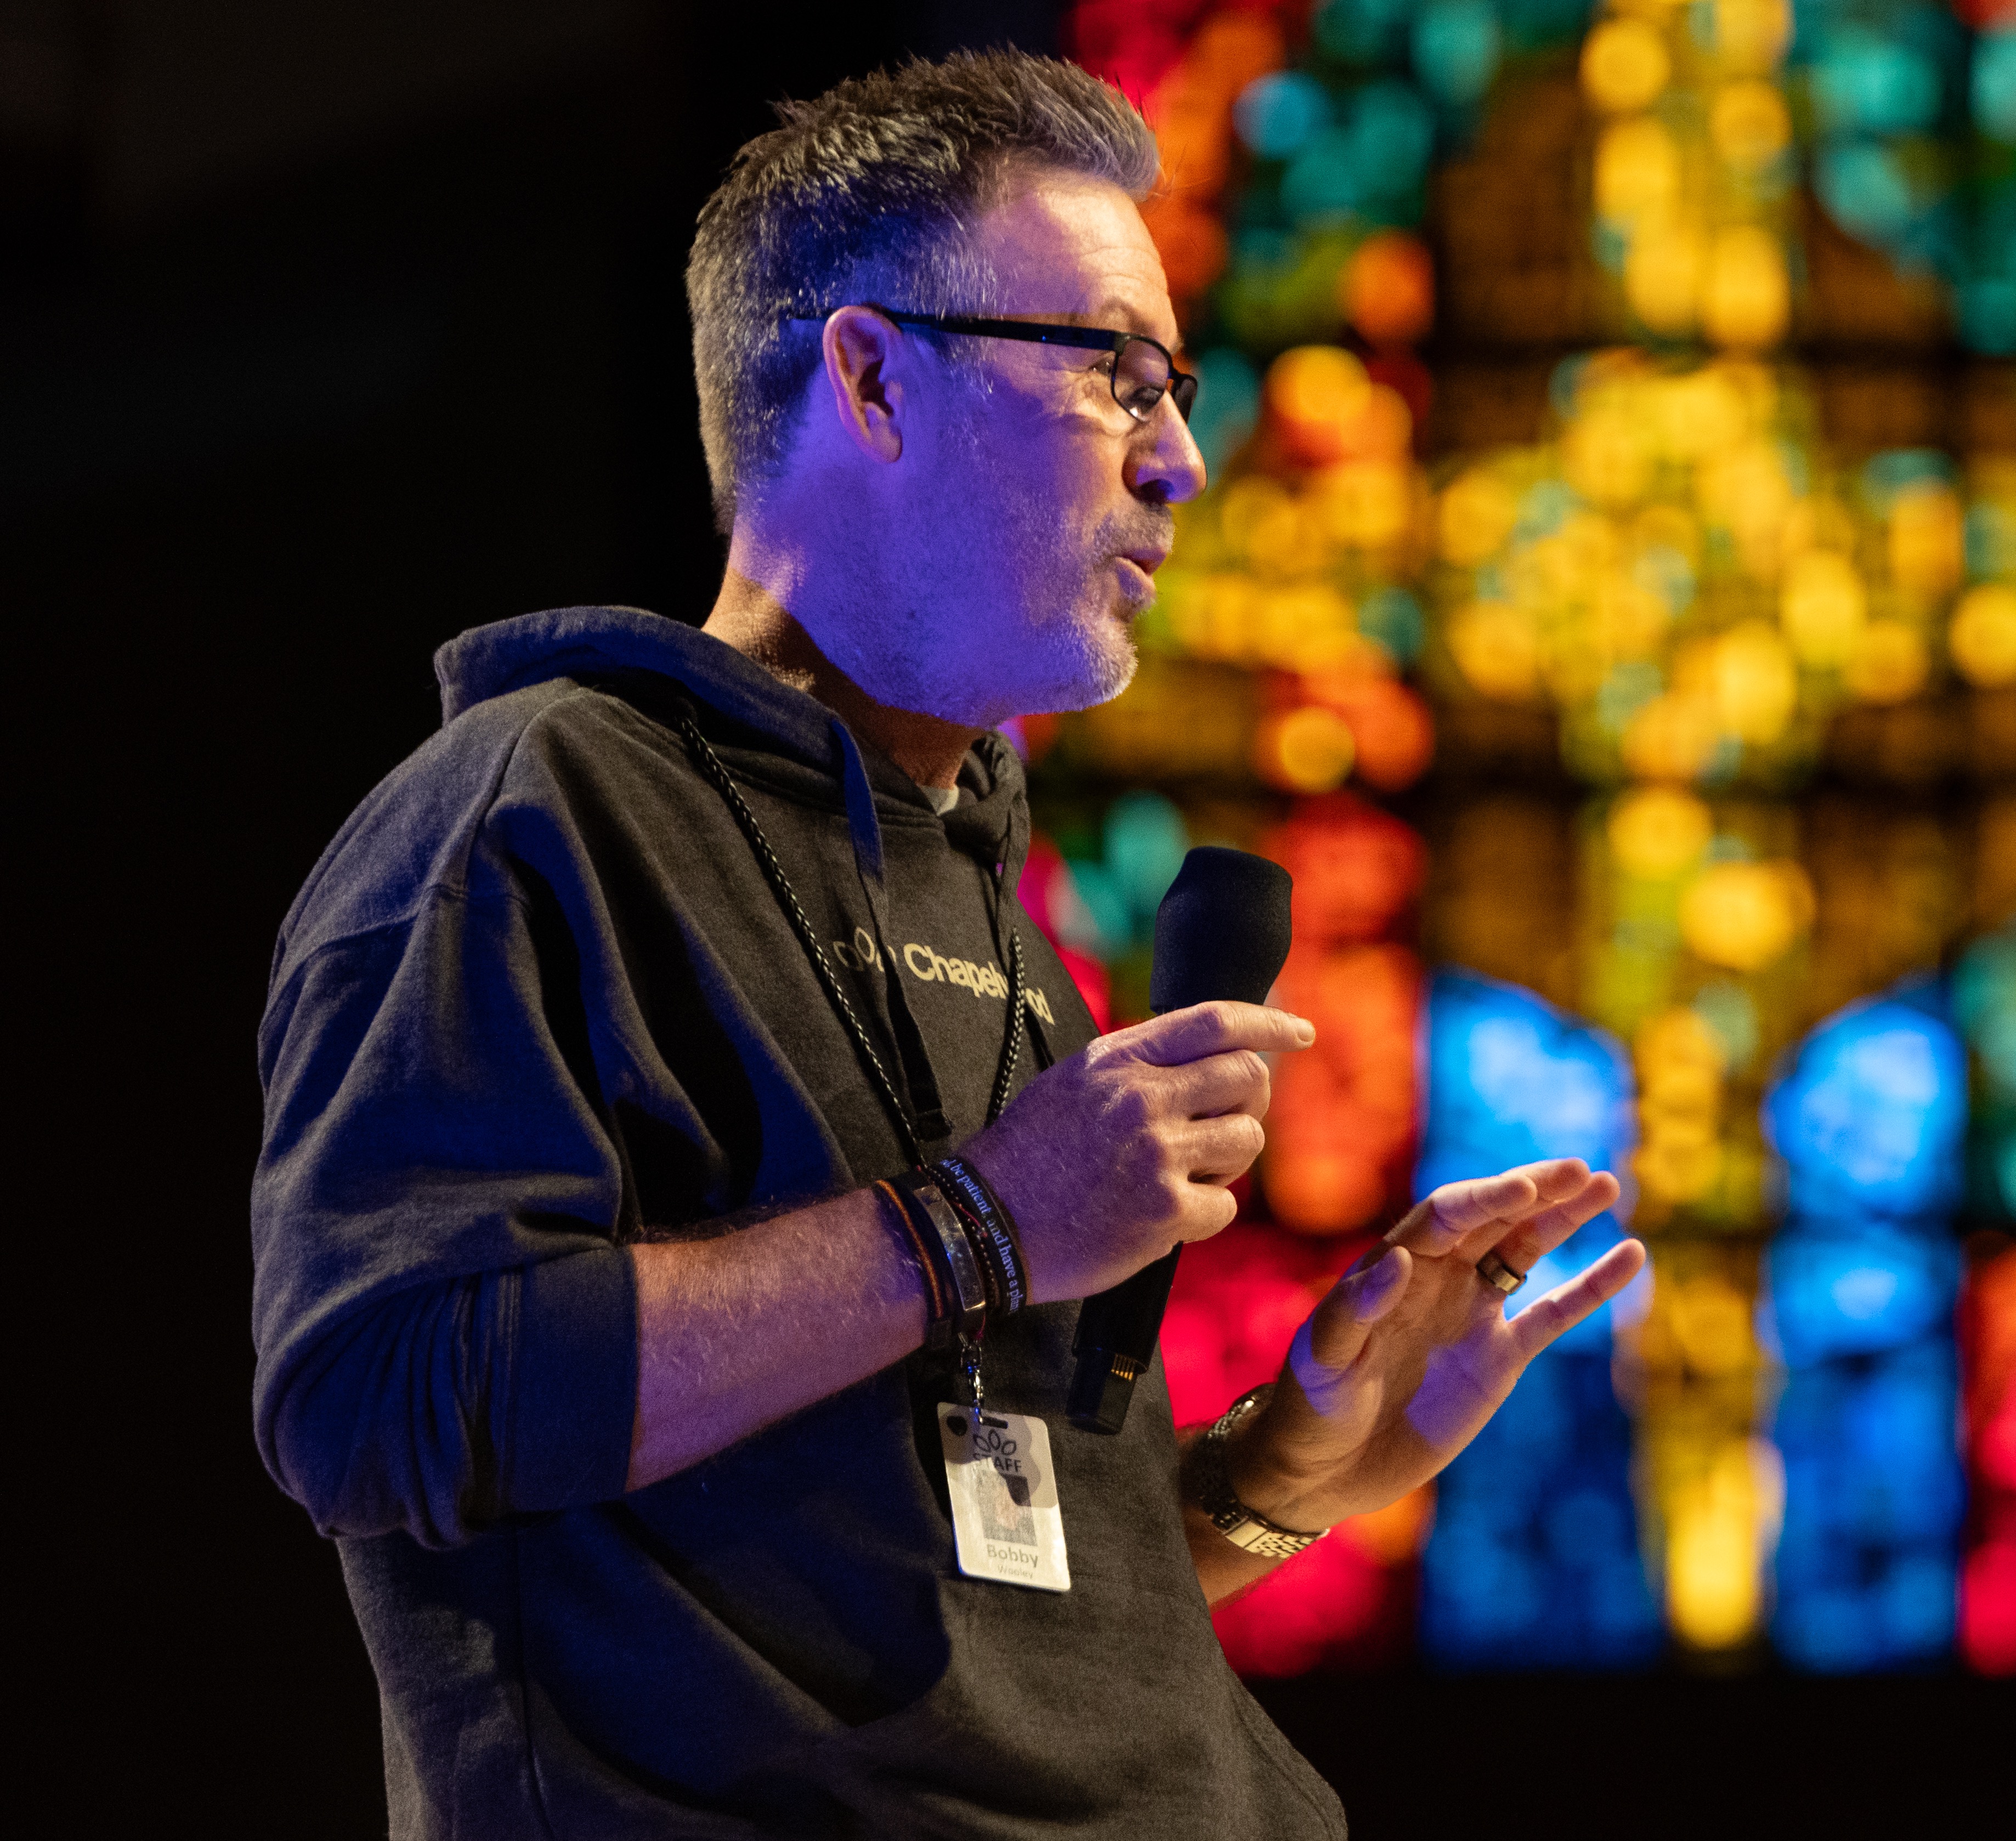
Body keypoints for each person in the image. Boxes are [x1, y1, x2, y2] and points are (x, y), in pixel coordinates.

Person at [250, 47, 1645, 1840]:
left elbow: (960, 1594)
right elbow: (378, 1402)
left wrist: (1282, 1477)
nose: (1183, 459)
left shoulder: (987, 912)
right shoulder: (536, 809)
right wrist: (973, 1227)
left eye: (1175, 388)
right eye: (1114, 374)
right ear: (871, 376)